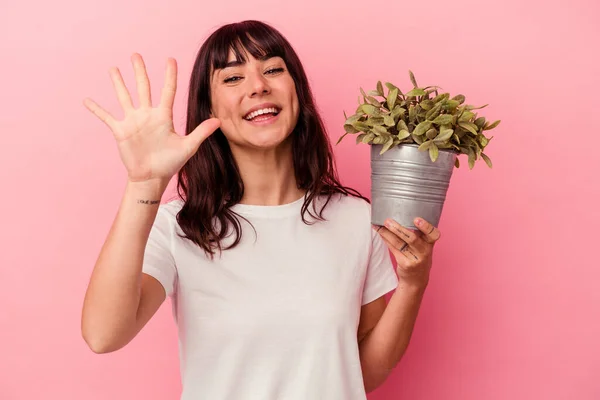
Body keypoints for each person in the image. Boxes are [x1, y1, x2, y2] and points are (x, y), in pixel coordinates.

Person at [81, 20, 438, 400]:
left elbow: (361, 372)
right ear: (209, 108)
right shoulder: (180, 226)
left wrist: (413, 283)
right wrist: (144, 183)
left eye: (272, 69)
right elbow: (103, 335)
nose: (258, 86)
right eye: (233, 78)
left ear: (296, 89)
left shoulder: (354, 218)